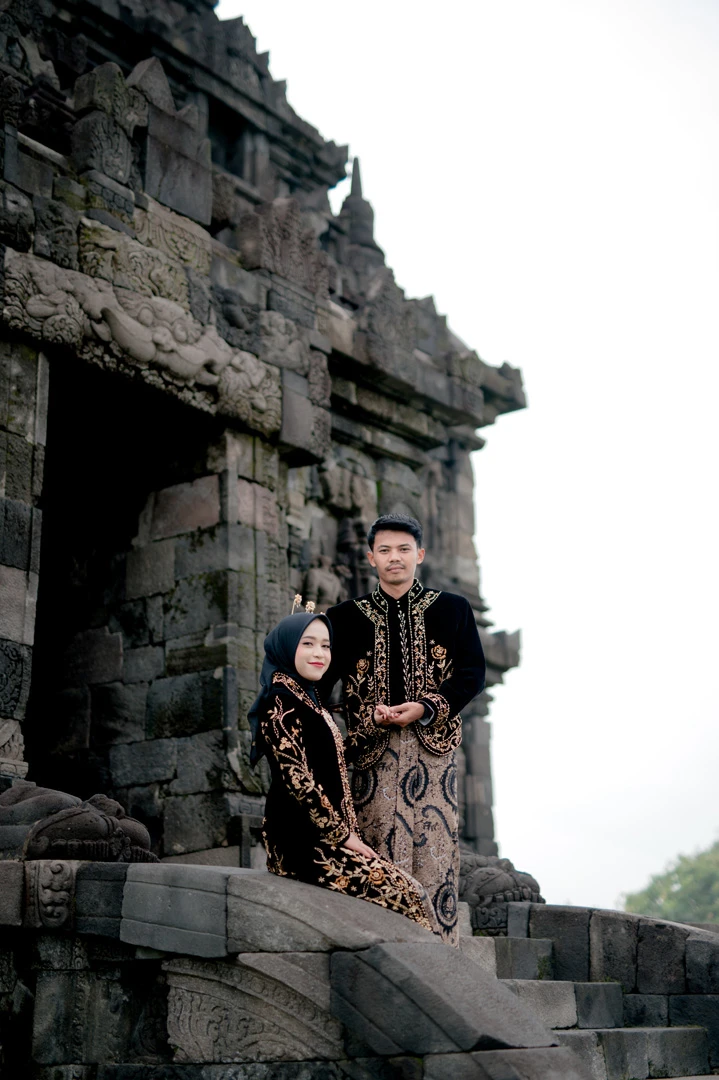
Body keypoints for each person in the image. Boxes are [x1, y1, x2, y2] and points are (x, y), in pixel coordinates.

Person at [321, 514, 486, 945]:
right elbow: (320, 684)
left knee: (434, 854)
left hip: (434, 752)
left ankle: (438, 957)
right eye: (385, 550)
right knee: (376, 852)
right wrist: (354, 724)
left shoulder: (453, 609)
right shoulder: (343, 618)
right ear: (371, 558)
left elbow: (472, 673)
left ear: (420, 555)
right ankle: (379, 951)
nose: (395, 558)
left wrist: (427, 707)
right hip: (371, 758)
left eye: (403, 550)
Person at [248, 608, 438, 932]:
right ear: (286, 646)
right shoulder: (278, 705)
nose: (319, 654)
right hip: (302, 843)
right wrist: (342, 836)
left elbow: (333, 758)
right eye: (308, 644)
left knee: (411, 892)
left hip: (327, 837)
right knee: (406, 894)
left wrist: (373, 726)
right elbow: (298, 781)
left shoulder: (308, 701)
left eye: (326, 646)